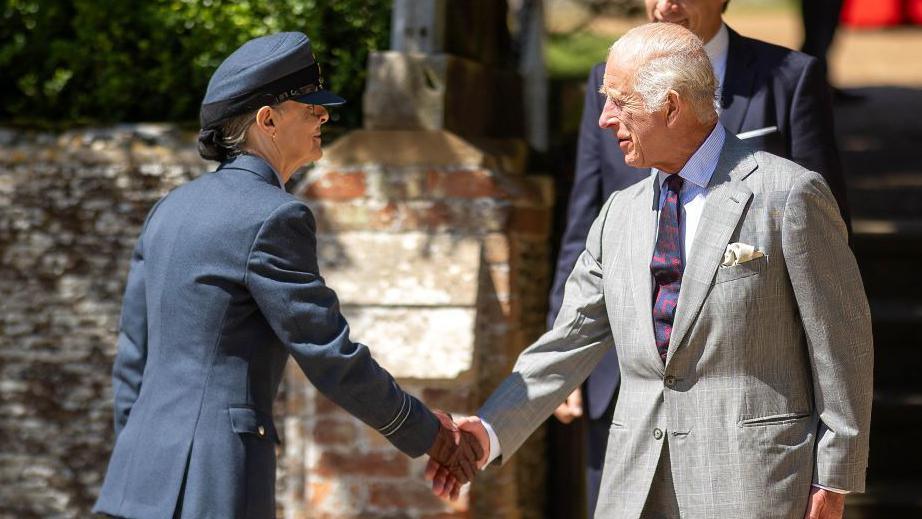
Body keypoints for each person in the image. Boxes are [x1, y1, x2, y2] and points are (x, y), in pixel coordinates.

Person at [437, 22, 872, 519]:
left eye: (619, 102)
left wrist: (833, 474)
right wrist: (487, 430)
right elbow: (568, 341)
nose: (603, 119)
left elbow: (843, 343)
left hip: (754, 483)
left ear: (669, 106)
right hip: (633, 486)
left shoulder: (789, 194)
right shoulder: (617, 214)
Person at [92, 32, 479, 519]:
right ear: (267, 120)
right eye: (310, 107)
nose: (325, 116)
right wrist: (432, 434)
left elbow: (133, 358)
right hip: (214, 486)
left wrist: (142, 453)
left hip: (134, 480)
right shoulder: (274, 216)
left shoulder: (169, 209)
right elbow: (329, 356)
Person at [548, 1, 851, 514]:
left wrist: (832, 458)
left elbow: (826, 275)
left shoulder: (789, 78)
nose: (666, 4)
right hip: (625, 389)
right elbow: (586, 217)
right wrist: (565, 348)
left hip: (745, 419)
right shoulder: (611, 81)